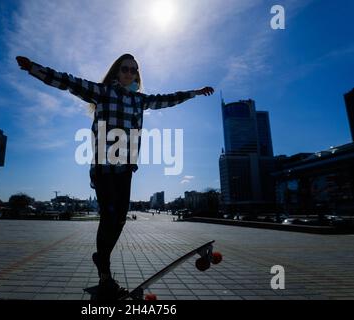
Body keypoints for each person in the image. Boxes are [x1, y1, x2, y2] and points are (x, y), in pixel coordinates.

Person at [16, 54, 214, 298]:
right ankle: (105, 274)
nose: (130, 74)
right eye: (125, 69)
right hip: (103, 166)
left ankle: (101, 257)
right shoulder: (102, 92)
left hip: (125, 169)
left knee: (120, 218)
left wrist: (195, 92)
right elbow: (69, 82)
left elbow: (167, 100)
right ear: (116, 72)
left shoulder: (140, 100)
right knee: (109, 215)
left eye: (134, 70)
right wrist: (34, 69)